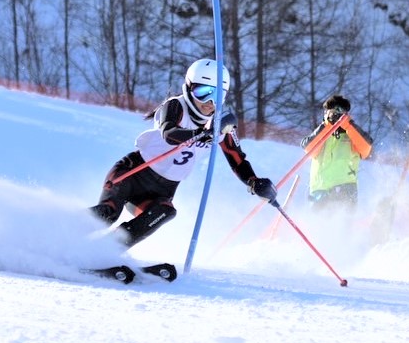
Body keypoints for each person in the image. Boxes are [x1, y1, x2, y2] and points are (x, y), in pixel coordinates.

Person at [91, 58, 277, 247]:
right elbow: (169, 133)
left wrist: (254, 182)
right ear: (188, 88)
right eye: (203, 92)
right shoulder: (176, 106)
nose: (210, 102)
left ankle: (109, 249)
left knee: (165, 211)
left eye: (218, 95)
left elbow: (237, 160)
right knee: (108, 213)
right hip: (133, 174)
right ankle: (66, 232)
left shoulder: (222, 125)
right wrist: (201, 134)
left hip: (162, 190)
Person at [300, 95, 373, 211]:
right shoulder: (323, 132)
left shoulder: (352, 134)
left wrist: (346, 124)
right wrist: (327, 125)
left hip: (344, 189)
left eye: (337, 112)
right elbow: (309, 149)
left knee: (340, 224)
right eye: (329, 112)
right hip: (319, 191)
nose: (333, 115)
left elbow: (366, 148)